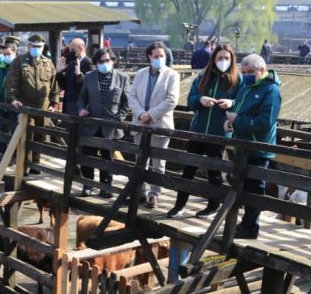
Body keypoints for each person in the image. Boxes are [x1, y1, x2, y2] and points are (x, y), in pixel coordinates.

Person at [168, 43, 241, 219]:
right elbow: (191, 100)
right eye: (220, 58)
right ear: (214, 59)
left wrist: (231, 103)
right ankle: (180, 205)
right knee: (189, 169)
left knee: (214, 171)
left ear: (231, 60)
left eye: (226, 58)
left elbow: (242, 102)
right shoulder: (203, 77)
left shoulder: (237, 80)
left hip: (219, 132)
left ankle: (213, 206)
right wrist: (201, 99)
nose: (223, 61)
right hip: (199, 129)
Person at [225, 53, 282, 240]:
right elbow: (238, 109)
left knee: (255, 188)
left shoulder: (271, 90)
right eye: (244, 72)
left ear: (262, 70)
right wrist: (231, 122)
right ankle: (245, 222)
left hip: (259, 146)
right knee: (241, 185)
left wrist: (238, 120)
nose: (246, 75)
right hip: (242, 145)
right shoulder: (247, 86)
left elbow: (265, 122)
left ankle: (251, 227)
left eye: (250, 72)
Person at [126, 41, 180, 209]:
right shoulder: (141, 73)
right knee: (140, 159)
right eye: (155, 56)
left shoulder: (172, 75)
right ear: (149, 56)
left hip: (160, 123)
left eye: (162, 56)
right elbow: (131, 95)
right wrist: (141, 113)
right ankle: (140, 192)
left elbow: (172, 100)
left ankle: (154, 194)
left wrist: (151, 114)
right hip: (140, 122)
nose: (159, 59)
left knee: (158, 163)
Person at [77, 48, 129, 198]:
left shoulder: (122, 77)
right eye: (101, 61)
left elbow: (127, 102)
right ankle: (88, 185)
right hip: (91, 122)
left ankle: (105, 187)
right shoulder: (89, 77)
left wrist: (119, 118)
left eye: (107, 60)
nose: (104, 63)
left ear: (113, 61)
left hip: (111, 125)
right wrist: (81, 109)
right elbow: (82, 98)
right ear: (96, 63)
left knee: (108, 158)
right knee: (88, 156)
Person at [6, 34, 59, 173]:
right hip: (26, 105)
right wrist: (13, 99)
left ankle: (36, 164)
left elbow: (54, 85)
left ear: (43, 47)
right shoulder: (19, 61)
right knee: (27, 136)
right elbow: (11, 82)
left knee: (40, 136)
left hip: (43, 106)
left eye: (39, 47)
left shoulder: (48, 63)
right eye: (34, 46)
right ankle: (25, 165)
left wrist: (54, 103)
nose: (36, 49)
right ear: (29, 46)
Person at [56, 38, 94, 117]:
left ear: (81, 48)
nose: (70, 52)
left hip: (80, 105)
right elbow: (64, 86)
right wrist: (59, 72)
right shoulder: (71, 64)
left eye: (72, 49)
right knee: (69, 128)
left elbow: (91, 85)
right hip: (68, 104)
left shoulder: (89, 64)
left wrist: (79, 75)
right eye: (69, 50)